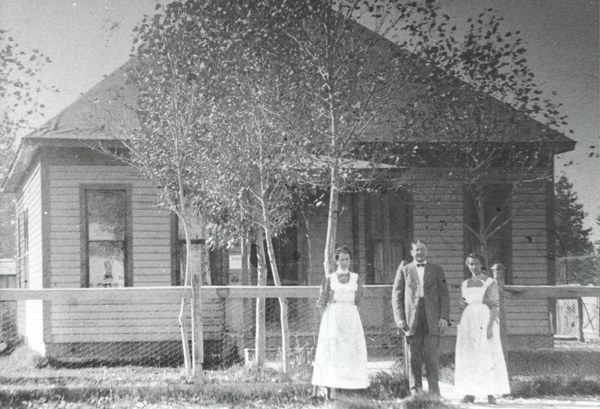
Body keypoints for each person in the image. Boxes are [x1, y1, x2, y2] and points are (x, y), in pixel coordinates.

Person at [392, 239, 450, 398]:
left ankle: (434, 393)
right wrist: (399, 318)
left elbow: (444, 295)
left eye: (423, 249)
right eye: (417, 250)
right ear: (412, 252)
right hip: (412, 319)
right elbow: (397, 296)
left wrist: (444, 317)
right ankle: (415, 392)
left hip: (432, 318)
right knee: (414, 358)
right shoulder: (404, 270)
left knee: (432, 357)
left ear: (427, 251)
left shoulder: (437, 270)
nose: (420, 253)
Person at [311, 245, 369, 400]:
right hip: (333, 317)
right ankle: (330, 391)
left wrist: (351, 313)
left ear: (350, 260)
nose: (345, 262)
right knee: (331, 352)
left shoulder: (356, 278)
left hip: (350, 316)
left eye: (347, 259)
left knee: (351, 352)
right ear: (337, 261)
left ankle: (352, 389)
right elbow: (321, 301)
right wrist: (328, 319)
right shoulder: (330, 279)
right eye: (342, 259)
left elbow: (359, 299)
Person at [455, 252, 510, 404]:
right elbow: (465, 302)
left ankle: (490, 393)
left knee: (487, 355)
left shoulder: (490, 282)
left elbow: (494, 306)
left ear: (482, 265)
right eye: (471, 264)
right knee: (469, 356)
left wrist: (490, 326)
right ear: (467, 265)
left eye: (477, 264)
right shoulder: (465, 283)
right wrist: (462, 304)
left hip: (485, 319)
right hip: (468, 321)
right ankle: (470, 393)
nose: (474, 267)